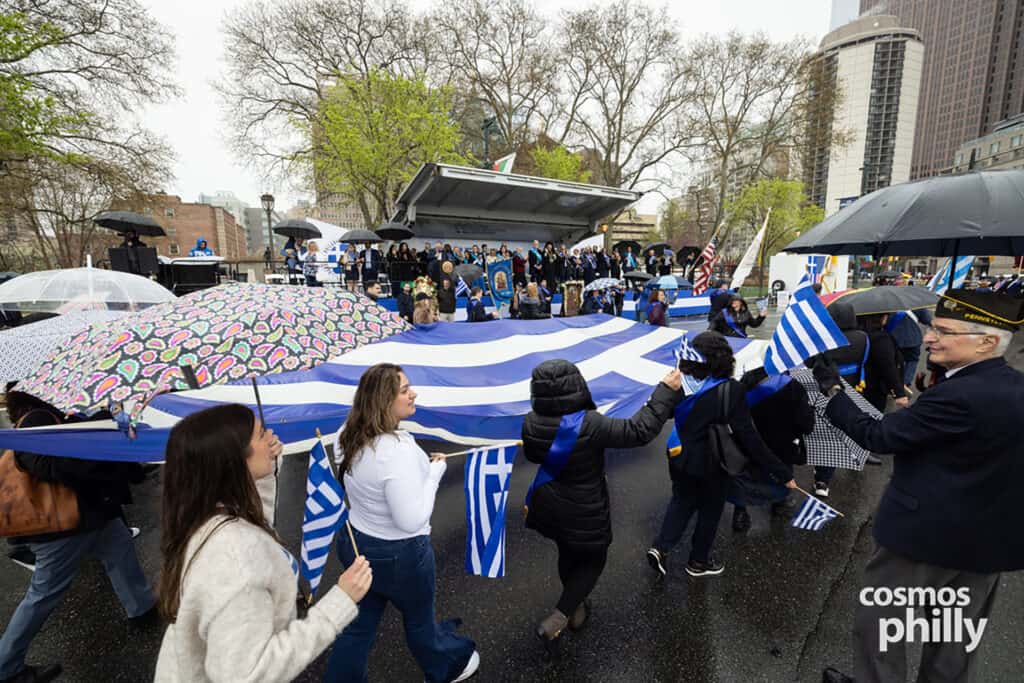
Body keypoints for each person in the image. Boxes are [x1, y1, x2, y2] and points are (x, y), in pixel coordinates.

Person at [811, 289, 1024, 683]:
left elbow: (876, 435)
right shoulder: (1006, 387)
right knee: (953, 643)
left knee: (881, 634)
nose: (929, 337)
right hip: (987, 546)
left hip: (923, 541)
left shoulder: (960, 395)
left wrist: (832, 389)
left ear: (987, 342)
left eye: (944, 331)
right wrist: (934, 393)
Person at [153, 404, 371, 683]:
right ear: (233, 460)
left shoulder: (201, 514)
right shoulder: (237, 559)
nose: (271, 436)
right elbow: (248, 675)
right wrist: (339, 602)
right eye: (260, 434)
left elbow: (251, 521)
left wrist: (264, 474)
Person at [325, 365, 479, 682]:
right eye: (405, 389)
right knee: (420, 621)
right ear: (383, 400)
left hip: (355, 543)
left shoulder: (346, 433)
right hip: (402, 556)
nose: (414, 393)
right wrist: (435, 474)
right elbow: (411, 521)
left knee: (357, 626)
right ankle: (444, 669)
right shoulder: (397, 451)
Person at [0, 392, 156, 683]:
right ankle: (6, 667)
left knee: (120, 550)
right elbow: (55, 467)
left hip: (92, 515)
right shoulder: (36, 422)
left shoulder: (53, 418)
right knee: (43, 595)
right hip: (62, 529)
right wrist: (106, 447)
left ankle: (143, 608)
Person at [522, 359, 682, 644]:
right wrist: (664, 391)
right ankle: (563, 612)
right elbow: (638, 431)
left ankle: (576, 604)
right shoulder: (590, 423)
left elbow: (535, 457)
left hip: (550, 500)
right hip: (586, 505)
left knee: (568, 551)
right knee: (595, 557)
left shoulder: (531, 422)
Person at [646, 332, 796, 578]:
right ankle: (698, 562)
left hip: (678, 453)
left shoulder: (678, 382)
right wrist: (780, 471)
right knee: (710, 510)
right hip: (714, 462)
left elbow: (667, 413)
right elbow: (748, 436)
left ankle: (661, 547)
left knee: (681, 500)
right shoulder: (731, 389)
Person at [730, 368, 815, 532]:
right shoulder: (793, 386)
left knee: (745, 477)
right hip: (782, 448)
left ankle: (740, 511)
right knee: (781, 477)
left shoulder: (744, 385)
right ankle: (780, 503)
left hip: (749, 447)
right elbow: (806, 425)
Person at [858, 313, 908, 412]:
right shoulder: (880, 338)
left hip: (857, 383)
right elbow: (888, 367)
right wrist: (899, 393)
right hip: (875, 387)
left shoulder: (857, 334)